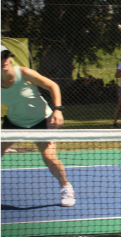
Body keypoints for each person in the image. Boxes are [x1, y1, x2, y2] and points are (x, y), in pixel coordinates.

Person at [0, 45, 75, 207]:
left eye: (5, 56)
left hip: (42, 121)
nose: (3, 60)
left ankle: (66, 187)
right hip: (14, 122)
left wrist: (58, 110)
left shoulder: (24, 73)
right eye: (0, 57)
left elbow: (53, 86)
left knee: (49, 157)